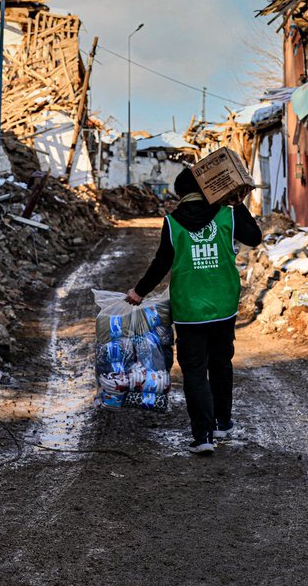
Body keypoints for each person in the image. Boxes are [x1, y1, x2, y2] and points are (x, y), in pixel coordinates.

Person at [125, 165, 262, 455]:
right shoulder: (227, 213)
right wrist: (238, 205)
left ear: (180, 194)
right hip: (223, 305)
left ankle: (203, 436)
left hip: (189, 311)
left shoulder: (172, 222)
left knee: (196, 372)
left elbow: (162, 262)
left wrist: (139, 292)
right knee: (221, 363)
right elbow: (255, 237)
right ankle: (223, 422)